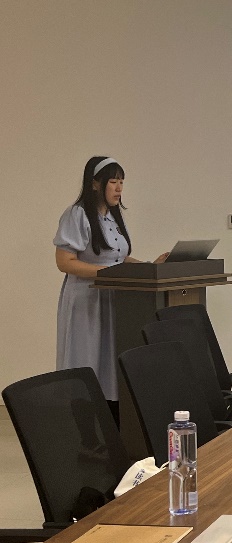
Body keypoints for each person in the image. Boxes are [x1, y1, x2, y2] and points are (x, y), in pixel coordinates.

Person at [54, 156, 167, 420]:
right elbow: (65, 262)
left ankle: (113, 423)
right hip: (87, 299)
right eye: (113, 182)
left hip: (114, 298)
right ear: (95, 184)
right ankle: (85, 426)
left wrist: (149, 267)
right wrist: (108, 273)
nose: (119, 188)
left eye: (122, 182)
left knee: (109, 361)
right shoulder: (77, 214)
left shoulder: (112, 217)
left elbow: (118, 258)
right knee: (87, 358)